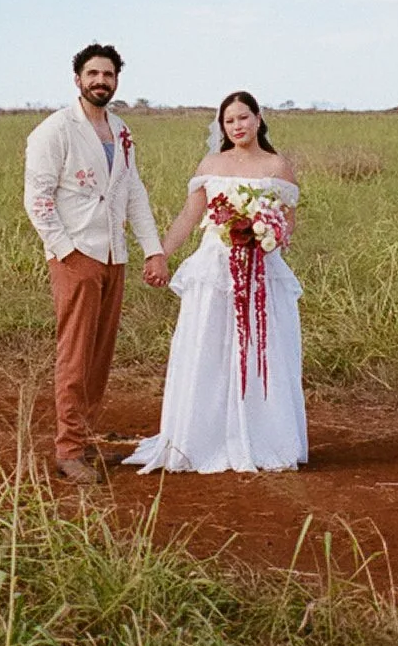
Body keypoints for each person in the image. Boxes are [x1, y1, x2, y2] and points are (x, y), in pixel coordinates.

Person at [126, 90, 308, 474]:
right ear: (221, 127)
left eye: (243, 118)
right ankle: (201, 435)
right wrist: (160, 254)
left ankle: (262, 436)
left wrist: (268, 235)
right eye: (229, 121)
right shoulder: (212, 163)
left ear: (258, 119)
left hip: (259, 270)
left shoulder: (277, 166)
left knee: (261, 349)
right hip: (215, 269)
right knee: (208, 346)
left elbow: (288, 221)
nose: (237, 126)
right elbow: (189, 217)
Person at [22, 43, 168, 483]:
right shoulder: (54, 131)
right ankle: (68, 451)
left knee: (100, 355)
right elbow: (37, 198)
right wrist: (65, 251)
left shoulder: (120, 130)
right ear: (77, 79)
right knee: (76, 353)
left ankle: (84, 439)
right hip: (76, 255)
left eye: (108, 74)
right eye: (92, 74)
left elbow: (133, 192)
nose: (100, 81)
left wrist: (153, 248)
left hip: (113, 255)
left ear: (117, 80)